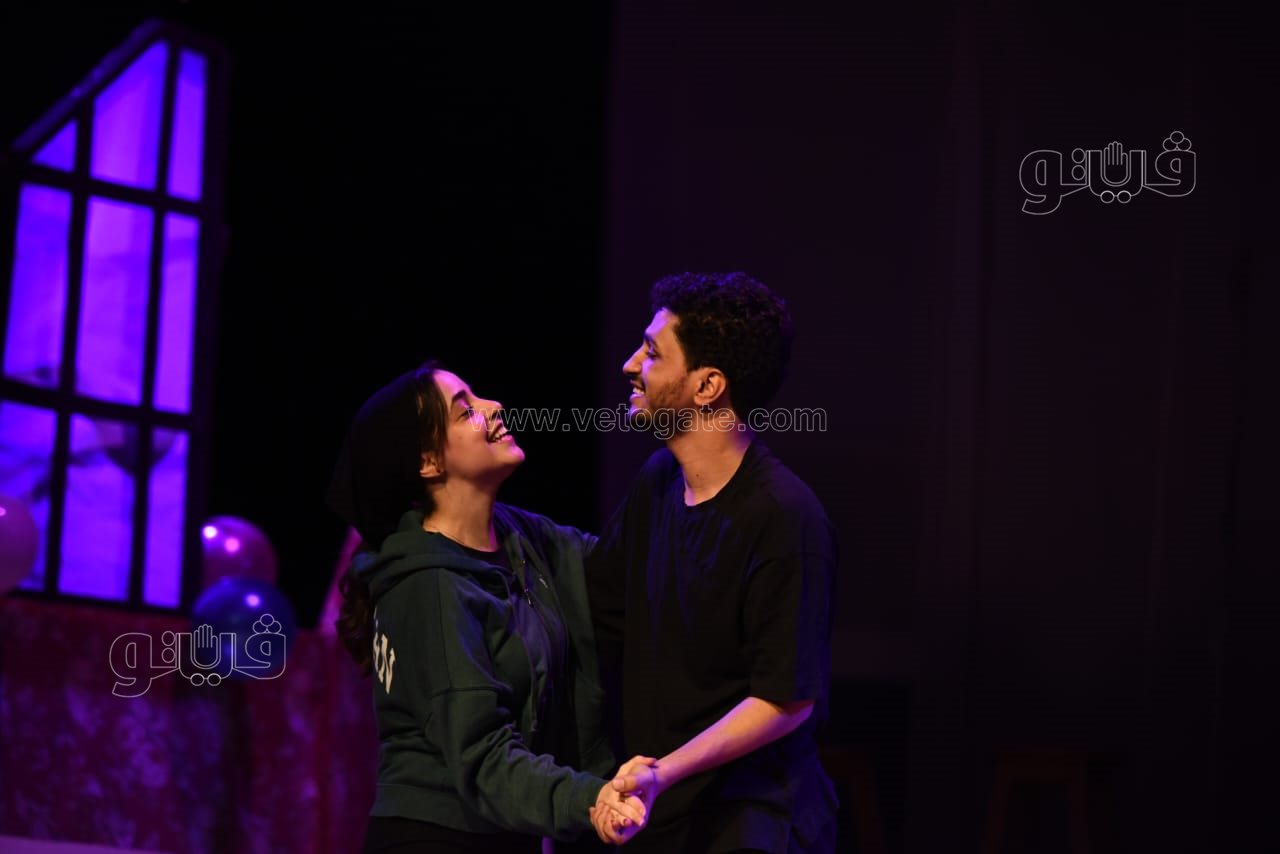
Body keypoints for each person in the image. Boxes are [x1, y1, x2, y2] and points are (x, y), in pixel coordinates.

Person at [327, 361, 649, 853]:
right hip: (438, 838)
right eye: (465, 411)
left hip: (504, 832)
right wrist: (590, 797)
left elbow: (617, 570)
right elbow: (483, 756)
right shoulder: (430, 587)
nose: (493, 407)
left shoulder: (522, 539)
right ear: (429, 461)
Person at [587, 273, 840, 852]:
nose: (630, 365)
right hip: (663, 811)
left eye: (652, 352)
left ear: (707, 386)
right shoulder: (658, 482)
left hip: (751, 822)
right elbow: (601, 607)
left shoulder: (785, 517)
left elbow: (785, 698)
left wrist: (664, 772)